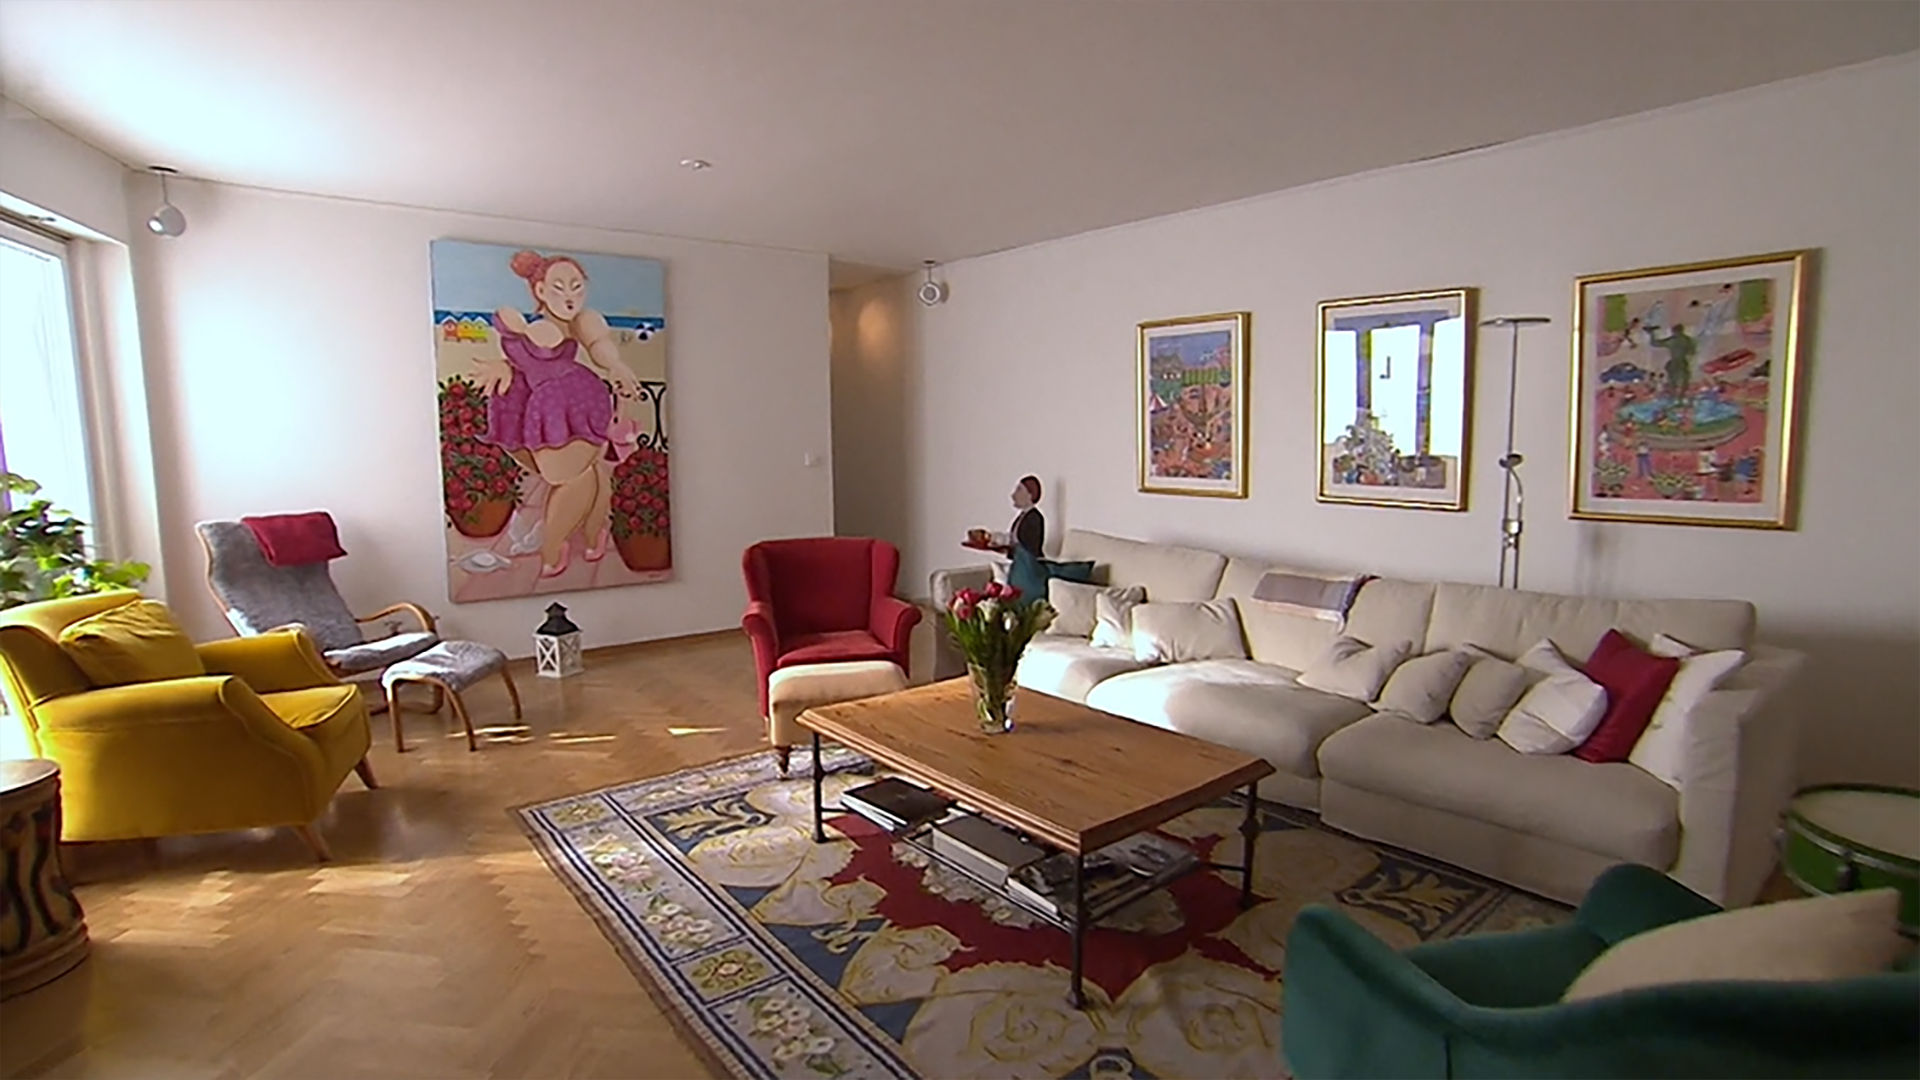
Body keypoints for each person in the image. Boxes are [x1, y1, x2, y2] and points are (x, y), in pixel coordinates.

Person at [474, 250, 639, 577]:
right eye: (559, 288)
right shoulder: (535, 328)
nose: (569, 296)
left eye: (577, 287)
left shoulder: (581, 322)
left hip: (576, 401)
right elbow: (526, 357)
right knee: (584, 476)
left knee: (584, 476)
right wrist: (505, 365)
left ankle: (571, 543)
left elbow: (599, 346)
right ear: (540, 291)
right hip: (549, 406)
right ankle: (575, 543)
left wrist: (618, 367)